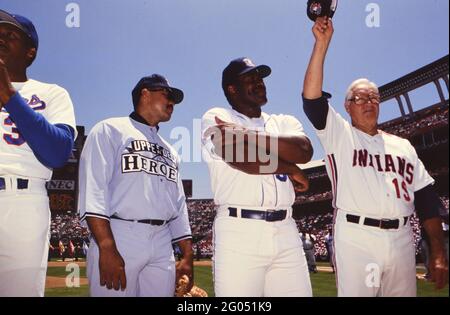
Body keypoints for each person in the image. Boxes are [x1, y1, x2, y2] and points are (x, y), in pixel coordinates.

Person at [302, 16, 448, 296]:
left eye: (373, 98)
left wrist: (438, 252)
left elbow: (427, 199)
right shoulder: (339, 135)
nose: (368, 102)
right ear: (347, 106)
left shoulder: (403, 146)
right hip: (358, 238)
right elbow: (311, 100)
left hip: (403, 238)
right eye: (360, 98)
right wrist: (322, 45)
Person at [201, 57, 314, 297]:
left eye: (260, 78)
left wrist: (248, 135)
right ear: (232, 88)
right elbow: (239, 156)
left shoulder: (283, 121)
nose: (259, 82)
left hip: (286, 231)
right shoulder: (217, 115)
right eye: (250, 79)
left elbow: (304, 151)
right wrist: (290, 169)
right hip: (239, 231)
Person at [78, 74, 193, 297]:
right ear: (145, 93)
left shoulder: (170, 151)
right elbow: (95, 190)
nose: (172, 103)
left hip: (162, 239)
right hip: (120, 233)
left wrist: (187, 255)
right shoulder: (110, 129)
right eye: (167, 94)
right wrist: (106, 246)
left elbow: (178, 205)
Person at [0, 10, 77, 297]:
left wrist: (9, 96)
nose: (1, 39)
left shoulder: (51, 93)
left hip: (21, 202)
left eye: (10, 35)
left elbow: (57, 153)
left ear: (30, 52)